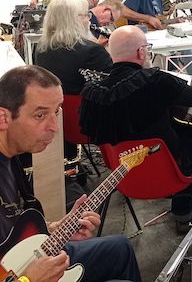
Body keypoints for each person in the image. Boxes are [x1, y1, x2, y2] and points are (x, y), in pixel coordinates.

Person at [0, 65, 141, 282]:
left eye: (56, 111)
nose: (54, 127)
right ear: (3, 118)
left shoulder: (12, 155)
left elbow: (11, 228)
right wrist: (29, 279)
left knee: (121, 247)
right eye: (40, 115)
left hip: (24, 256)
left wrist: (55, 229)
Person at [80, 25, 192, 230]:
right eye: (147, 48)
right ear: (141, 52)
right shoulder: (155, 81)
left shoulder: (92, 93)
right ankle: (182, 207)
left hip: (122, 178)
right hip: (167, 174)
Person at [34, 0, 113, 96]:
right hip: (84, 104)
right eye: (86, 15)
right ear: (74, 20)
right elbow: (112, 84)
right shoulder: (93, 51)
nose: (89, 20)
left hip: (52, 103)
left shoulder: (41, 46)